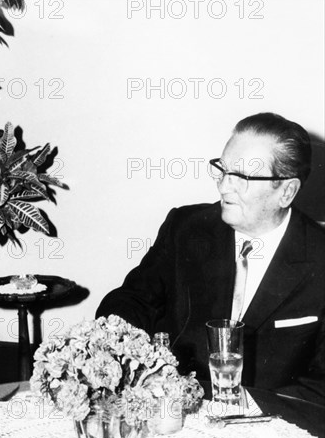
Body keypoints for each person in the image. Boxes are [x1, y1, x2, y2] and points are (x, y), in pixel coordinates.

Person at [97, 112, 325, 405]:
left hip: (274, 422)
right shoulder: (186, 228)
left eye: (242, 177)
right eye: (223, 170)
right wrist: (112, 351)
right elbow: (133, 301)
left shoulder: (319, 258)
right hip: (179, 409)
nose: (224, 186)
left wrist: (250, 408)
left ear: (286, 191)